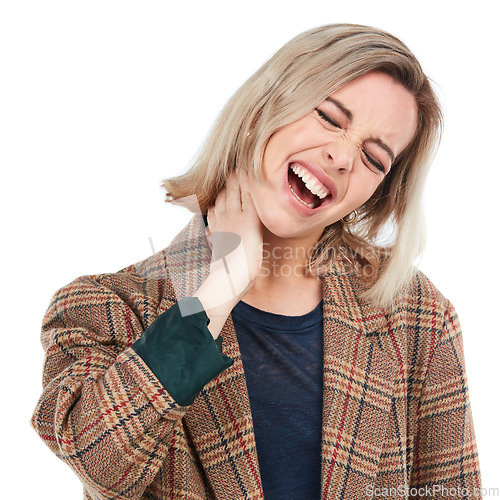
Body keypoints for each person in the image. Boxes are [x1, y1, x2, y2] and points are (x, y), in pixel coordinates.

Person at [31, 24, 482, 499]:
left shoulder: (417, 316)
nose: (343, 156)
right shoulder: (104, 305)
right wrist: (223, 284)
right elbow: (99, 461)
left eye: (374, 158)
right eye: (330, 117)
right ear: (262, 111)